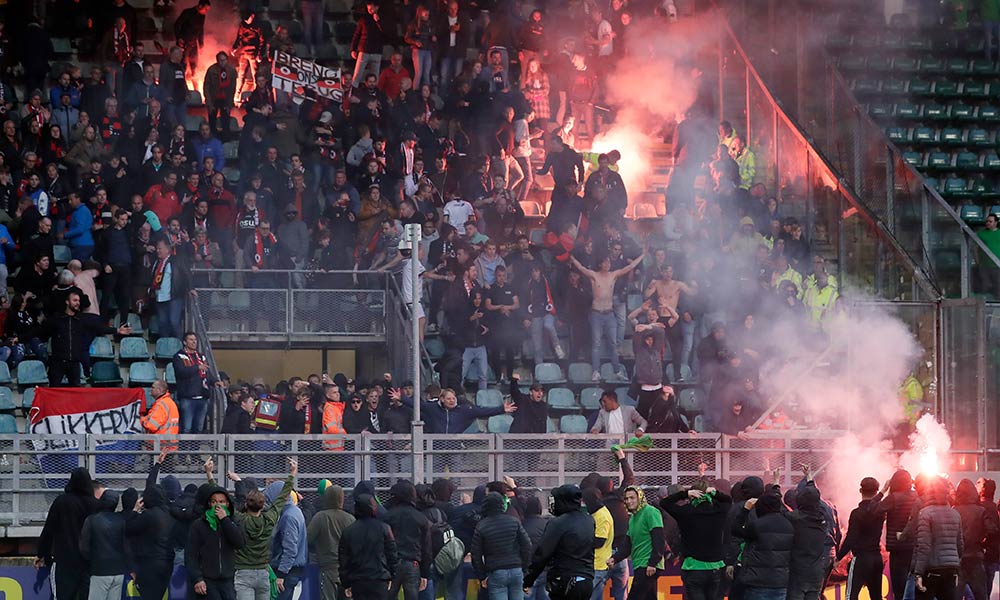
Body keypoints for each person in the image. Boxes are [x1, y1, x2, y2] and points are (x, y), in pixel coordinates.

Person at [221, 458, 296, 600]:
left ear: (246, 505)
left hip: (243, 572)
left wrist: (211, 477)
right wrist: (292, 474)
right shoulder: (269, 519)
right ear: (263, 506)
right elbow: (281, 499)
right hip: (263, 572)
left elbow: (221, 503)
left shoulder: (241, 519)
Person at [569, 252, 644, 381]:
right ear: (600, 264)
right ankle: (596, 371)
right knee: (596, 344)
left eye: (609, 262)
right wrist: (572, 257)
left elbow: (629, 267)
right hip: (596, 313)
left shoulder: (613, 275)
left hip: (609, 314)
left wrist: (642, 255)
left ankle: (617, 370)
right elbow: (581, 268)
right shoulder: (594, 275)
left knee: (613, 344)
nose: (608, 264)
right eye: (605, 262)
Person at [39, 290, 130, 386]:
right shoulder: (57, 319)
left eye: (78, 301)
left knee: (75, 395)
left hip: (74, 364)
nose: (77, 303)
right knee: (53, 392)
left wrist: (117, 330)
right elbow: (40, 331)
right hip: (57, 363)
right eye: (74, 300)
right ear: (67, 302)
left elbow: (99, 327)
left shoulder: (82, 319)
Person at [660, 481, 733, 600]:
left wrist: (684, 494)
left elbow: (664, 503)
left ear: (693, 496)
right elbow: (728, 500)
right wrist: (716, 493)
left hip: (693, 567)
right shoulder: (719, 511)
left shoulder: (685, 512)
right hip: (715, 567)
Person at [36, 467, 100, 600]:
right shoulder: (95, 504)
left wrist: (42, 554)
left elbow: (49, 529)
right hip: (89, 563)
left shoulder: (61, 501)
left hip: (64, 561)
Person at [523, 485, 595, 600]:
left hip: (564, 581)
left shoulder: (558, 523)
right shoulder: (589, 520)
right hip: (586, 580)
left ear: (563, 500)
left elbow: (542, 554)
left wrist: (528, 579)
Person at [731, 485, 794, 600]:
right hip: (781, 582)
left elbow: (735, 530)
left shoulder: (757, 525)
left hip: (758, 582)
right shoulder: (789, 525)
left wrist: (745, 510)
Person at [185, 484, 247, 600]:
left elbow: (240, 543)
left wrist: (225, 521)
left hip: (227, 579)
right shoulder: (198, 525)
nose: (217, 505)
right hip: (207, 580)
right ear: (209, 503)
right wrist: (198, 579)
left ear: (227, 503)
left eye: (221, 502)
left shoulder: (233, 522)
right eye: (214, 502)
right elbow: (191, 555)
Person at [472, 491, 533, 600]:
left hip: (496, 572)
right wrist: (524, 568)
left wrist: (482, 576)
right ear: (502, 505)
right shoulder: (514, 521)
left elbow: (476, 555)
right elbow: (527, 545)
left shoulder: (481, 526)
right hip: (516, 570)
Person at [608, 486, 665, 600]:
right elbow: (628, 544)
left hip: (648, 565)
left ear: (640, 497)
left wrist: (652, 563)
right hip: (640, 564)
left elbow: (659, 539)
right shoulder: (633, 518)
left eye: (632, 498)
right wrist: (615, 558)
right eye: (626, 498)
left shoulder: (651, 512)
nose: (629, 501)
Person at [338, 494, 398, 599]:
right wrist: (392, 575)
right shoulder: (384, 528)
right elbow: (392, 554)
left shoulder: (348, 532)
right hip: (380, 579)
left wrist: (346, 583)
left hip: (358, 581)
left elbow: (344, 560)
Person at [913, 477, 963, 600]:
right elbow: (960, 544)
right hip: (951, 569)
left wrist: (918, 572)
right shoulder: (955, 514)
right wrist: (956, 561)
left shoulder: (925, 513)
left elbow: (924, 546)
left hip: (931, 569)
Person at [126, 484, 176, 600]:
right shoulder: (170, 514)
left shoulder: (148, 515)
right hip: (167, 563)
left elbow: (129, 527)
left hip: (150, 563)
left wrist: (135, 509)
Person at [384, 480, 432, 600]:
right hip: (413, 564)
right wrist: (425, 573)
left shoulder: (387, 517)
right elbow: (426, 548)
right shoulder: (421, 518)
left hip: (391, 564)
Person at [307, 484, 355, 600]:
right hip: (348, 569)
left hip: (327, 567)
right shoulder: (350, 519)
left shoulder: (320, 517)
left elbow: (308, 539)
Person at [80, 489, 127, 600]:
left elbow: (84, 548)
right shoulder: (121, 520)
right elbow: (125, 546)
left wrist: (92, 561)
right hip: (118, 571)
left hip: (99, 571)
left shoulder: (91, 520)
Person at [268, 476, 308, 600]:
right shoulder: (296, 511)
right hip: (293, 570)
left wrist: (281, 574)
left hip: (286, 573)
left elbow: (290, 550)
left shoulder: (288, 517)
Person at [954, 478, 994, 600]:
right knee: (981, 595)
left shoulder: (955, 511)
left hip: (959, 559)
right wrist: (983, 543)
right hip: (976, 557)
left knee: (955, 595)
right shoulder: (981, 511)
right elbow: (992, 530)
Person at [174, 331, 221, 434]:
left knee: (199, 428)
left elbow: (206, 373)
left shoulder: (201, 356)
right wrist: (197, 367)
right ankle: (185, 450)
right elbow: (181, 372)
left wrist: (215, 382)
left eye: (195, 340)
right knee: (187, 428)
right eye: (191, 340)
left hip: (203, 397)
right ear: (185, 342)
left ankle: (196, 450)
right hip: (187, 398)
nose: (194, 342)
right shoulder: (179, 356)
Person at [150, 238, 190, 339]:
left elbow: (186, 274)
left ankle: (180, 346)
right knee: (162, 324)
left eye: (160, 248)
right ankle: (165, 348)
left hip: (174, 297)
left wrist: (191, 288)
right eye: (157, 248)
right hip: (160, 298)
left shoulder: (177, 260)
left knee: (174, 322)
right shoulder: (156, 263)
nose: (157, 250)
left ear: (167, 249)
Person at [140, 380, 179, 451]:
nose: (150, 389)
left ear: (159, 390)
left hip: (161, 445)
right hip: (168, 444)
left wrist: (142, 420)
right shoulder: (169, 402)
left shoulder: (161, 404)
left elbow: (152, 426)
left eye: (153, 387)